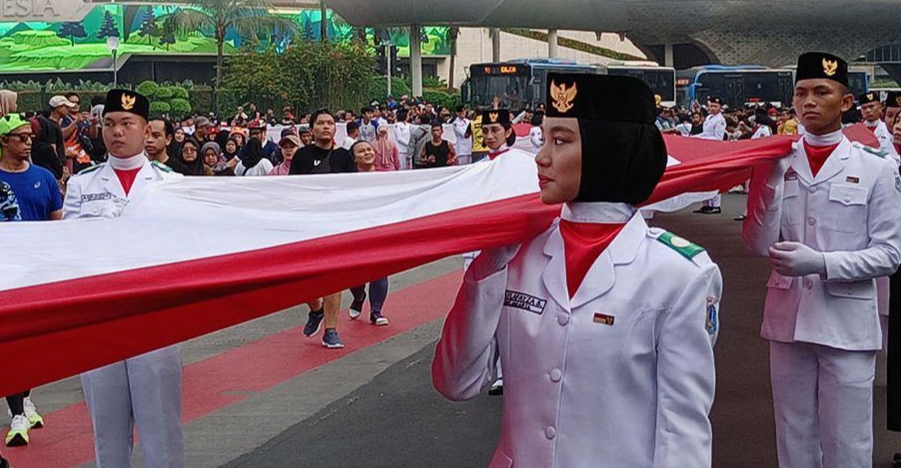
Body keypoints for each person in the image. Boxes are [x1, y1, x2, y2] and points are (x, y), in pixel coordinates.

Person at [433, 73, 722, 467]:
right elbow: (456, 383)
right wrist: (487, 267)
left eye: (561, 141)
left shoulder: (677, 274)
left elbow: (682, 431)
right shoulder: (514, 255)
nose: (541, 156)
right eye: (544, 138)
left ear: (609, 150)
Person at [743, 52, 901, 468]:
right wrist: (771, 181)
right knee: (793, 440)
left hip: (846, 323)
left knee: (847, 444)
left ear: (846, 102)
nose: (808, 101)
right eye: (800, 93)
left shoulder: (876, 170)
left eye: (821, 92)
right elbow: (758, 244)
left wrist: (822, 263)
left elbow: (889, 254)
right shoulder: (778, 161)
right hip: (788, 321)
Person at [64, 89, 185, 468]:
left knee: (161, 429)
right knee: (107, 432)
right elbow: (70, 249)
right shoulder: (83, 185)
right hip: (100, 315)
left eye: (127, 124)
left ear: (146, 130)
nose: (118, 132)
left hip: (154, 316)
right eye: (110, 124)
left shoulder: (171, 183)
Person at [0, 113, 60, 447]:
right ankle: (17, 413)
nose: (27, 143)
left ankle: (24, 399)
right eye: (20, 138)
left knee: (33, 343)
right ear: (3, 142)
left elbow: (57, 227)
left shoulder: (46, 179)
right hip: (4, 273)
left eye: (29, 138)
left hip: (37, 274)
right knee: (7, 342)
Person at [289, 109, 356, 349]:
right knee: (301, 278)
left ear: (335, 128)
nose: (326, 127)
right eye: (321, 123)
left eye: (330, 123)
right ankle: (315, 310)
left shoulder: (344, 157)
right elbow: (291, 191)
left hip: (336, 225)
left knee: (333, 278)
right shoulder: (301, 156)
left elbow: (356, 189)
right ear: (312, 129)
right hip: (307, 225)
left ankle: (331, 329)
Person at [347, 140, 391, 326]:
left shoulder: (387, 177)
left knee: (380, 270)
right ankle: (359, 297)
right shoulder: (346, 181)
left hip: (380, 228)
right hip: (355, 230)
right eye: (361, 151)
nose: (366, 153)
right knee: (354, 274)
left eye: (368, 149)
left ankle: (376, 311)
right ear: (354, 158)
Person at [692, 97, 727, 214]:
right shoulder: (708, 118)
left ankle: (716, 205)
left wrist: (702, 140)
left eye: (715, 106)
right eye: (711, 106)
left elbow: (718, 138)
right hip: (705, 151)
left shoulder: (720, 120)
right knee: (705, 178)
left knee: (714, 178)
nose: (712, 108)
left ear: (720, 107)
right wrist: (694, 138)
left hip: (714, 151)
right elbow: (705, 133)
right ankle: (706, 204)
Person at [858, 91, 901, 164]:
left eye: (871, 106)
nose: (868, 110)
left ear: (880, 107)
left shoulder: (889, 129)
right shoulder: (856, 131)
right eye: (864, 108)